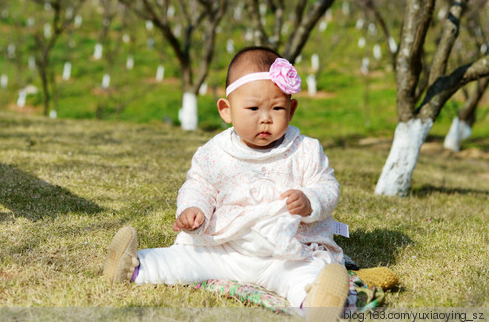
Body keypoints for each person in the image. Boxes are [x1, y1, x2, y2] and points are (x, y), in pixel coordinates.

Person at [103, 46, 350, 321]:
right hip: (226, 246)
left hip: (286, 253)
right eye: (253, 108)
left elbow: (327, 185)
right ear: (226, 110)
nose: (265, 118)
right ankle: (135, 267)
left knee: (304, 275)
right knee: (186, 259)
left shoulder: (305, 150)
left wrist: (310, 199)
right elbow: (199, 185)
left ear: (291, 110)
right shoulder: (215, 152)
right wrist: (194, 208)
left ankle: (317, 303)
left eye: (277, 108)